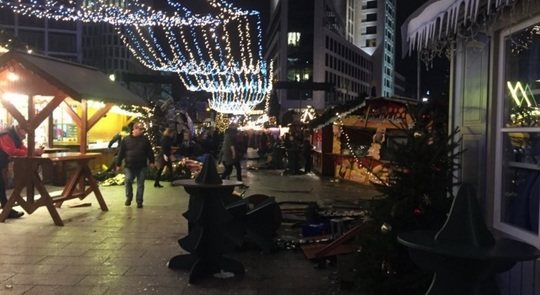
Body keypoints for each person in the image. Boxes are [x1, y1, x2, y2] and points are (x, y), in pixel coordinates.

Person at [0, 124, 44, 219]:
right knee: (0, 184)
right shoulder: (6, 134)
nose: (26, 134)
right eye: (26, 130)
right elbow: (11, 151)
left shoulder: (14, 134)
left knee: (1, 184)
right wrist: (31, 153)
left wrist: (33, 151)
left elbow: (22, 149)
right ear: (20, 128)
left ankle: (6, 209)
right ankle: (6, 209)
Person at [116, 122, 155, 208]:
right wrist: (118, 164)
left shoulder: (145, 140)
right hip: (129, 165)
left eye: (142, 130)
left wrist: (152, 161)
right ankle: (129, 197)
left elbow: (149, 151)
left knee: (140, 184)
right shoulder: (126, 140)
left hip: (142, 165)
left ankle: (139, 201)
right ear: (134, 129)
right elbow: (121, 153)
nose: (141, 131)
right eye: (140, 129)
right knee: (128, 181)